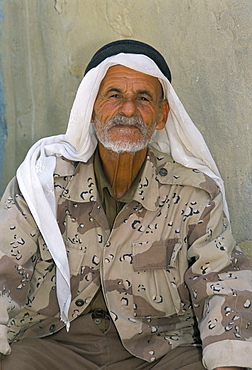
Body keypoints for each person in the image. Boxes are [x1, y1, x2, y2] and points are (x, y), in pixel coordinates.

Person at [0, 40, 251, 370]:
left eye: (143, 98)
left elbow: (222, 282)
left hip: (160, 352)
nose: (129, 110)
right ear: (91, 107)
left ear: (162, 116)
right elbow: (5, 265)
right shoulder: (43, 183)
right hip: (56, 345)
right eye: (114, 95)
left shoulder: (195, 193)